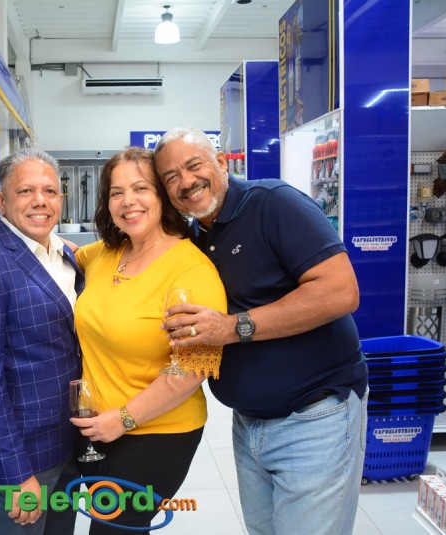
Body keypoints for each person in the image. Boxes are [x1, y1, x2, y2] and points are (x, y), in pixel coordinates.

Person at [155, 126, 368, 535]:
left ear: (221, 162)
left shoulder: (273, 203)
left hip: (315, 416)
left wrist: (232, 328)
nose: (186, 181)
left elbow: (341, 291)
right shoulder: (197, 235)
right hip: (249, 424)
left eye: (194, 165)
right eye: (171, 177)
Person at [70, 147, 227, 534]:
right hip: (99, 430)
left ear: (163, 196)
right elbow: (62, 252)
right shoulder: (106, 254)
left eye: (141, 188)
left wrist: (124, 419)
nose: (128, 201)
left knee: (113, 529)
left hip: (156, 433)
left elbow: (193, 369)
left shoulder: (191, 270)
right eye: (117, 192)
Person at [0, 148, 83, 535]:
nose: (40, 201)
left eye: (50, 191)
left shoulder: (65, 256)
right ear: (1, 200)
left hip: (65, 444)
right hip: (20, 458)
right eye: (25, 191)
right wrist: (14, 472)